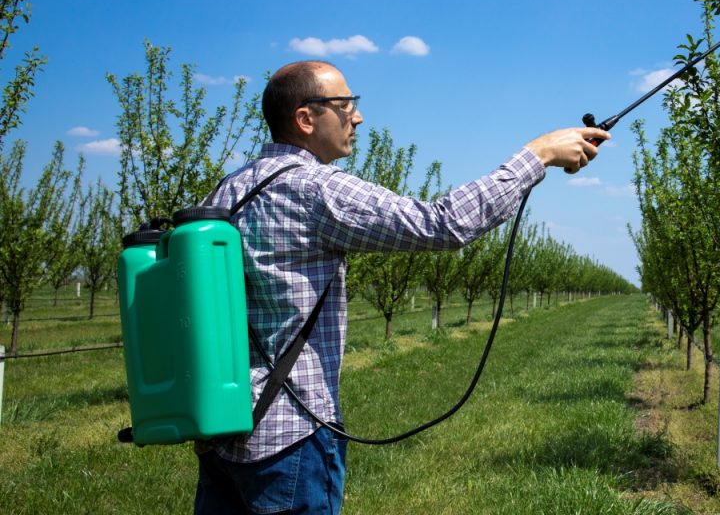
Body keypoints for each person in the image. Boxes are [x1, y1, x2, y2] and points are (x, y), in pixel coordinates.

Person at [194, 60, 610, 514]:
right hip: (290, 437)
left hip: (226, 427)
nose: (357, 116)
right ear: (306, 118)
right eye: (345, 104)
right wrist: (537, 155)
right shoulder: (313, 189)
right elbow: (443, 224)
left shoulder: (228, 192)